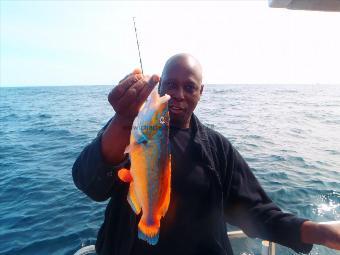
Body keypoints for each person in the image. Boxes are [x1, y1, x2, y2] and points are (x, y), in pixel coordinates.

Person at [72, 53, 340, 255]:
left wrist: (317, 231)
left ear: (201, 92)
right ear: (160, 87)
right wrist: (121, 120)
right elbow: (89, 182)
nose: (178, 94)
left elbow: (254, 210)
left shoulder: (217, 148)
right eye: (170, 85)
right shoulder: (131, 131)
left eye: (189, 87)